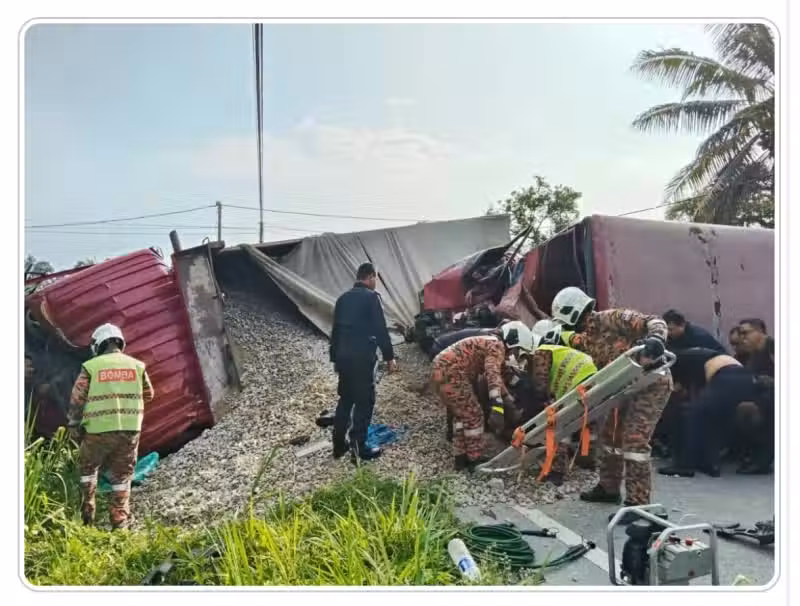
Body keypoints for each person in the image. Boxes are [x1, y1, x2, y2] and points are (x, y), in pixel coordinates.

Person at [551, 286, 671, 512]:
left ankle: (638, 503)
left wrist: (656, 339)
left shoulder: (612, 318)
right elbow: (569, 340)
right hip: (621, 387)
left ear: (574, 312)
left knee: (634, 441)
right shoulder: (587, 338)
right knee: (609, 438)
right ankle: (608, 488)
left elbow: (654, 321)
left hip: (649, 384)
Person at [67, 323, 154, 530]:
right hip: (129, 431)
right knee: (122, 477)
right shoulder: (137, 366)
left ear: (97, 345)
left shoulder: (91, 367)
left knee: (88, 471)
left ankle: (87, 517)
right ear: (120, 342)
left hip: (97, 431)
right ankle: (120, 522)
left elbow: (77, 399)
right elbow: (149, 394)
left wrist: (74, 425)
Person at [431, 322, 534, 471]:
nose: (514, 354)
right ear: (513, 341)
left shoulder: (490, 341)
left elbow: (503, 374)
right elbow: (492, 375)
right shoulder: (496, 345)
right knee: (474, 414)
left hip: (442, 369)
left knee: (462, 415)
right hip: (451, 372)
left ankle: (460, 457)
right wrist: (497, 406)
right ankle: (474, 458)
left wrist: (509, 398)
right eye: (516, 350)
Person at [656, 347, 762, 478]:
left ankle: (684, 465)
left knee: (690, 416)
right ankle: (708, 463)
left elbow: (677, 389)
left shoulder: (675, 362)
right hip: (745, 377)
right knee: (712, 419)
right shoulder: (697, 357)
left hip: (726, 377)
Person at [330, 263, 398, 462]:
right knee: (364, 401)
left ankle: (338, 445)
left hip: (343, 357)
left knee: (346, 398)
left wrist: (335, 358)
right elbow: (380, 329)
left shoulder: (342, 299)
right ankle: (359, 448)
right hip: (361, 358)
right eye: (375, 279)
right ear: (370, 277)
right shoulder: (371, 297)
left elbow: (335, 331)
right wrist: (389, 357)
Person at [518, 333, 599, 485]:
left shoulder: (541, 353)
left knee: (558, 424)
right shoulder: (558, 351)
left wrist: (536, 406)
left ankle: (556, 471)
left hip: (577, 383)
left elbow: (540, 386)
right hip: (592, 377)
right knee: (588, 423)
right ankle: (586, 459)